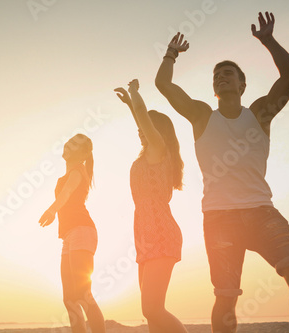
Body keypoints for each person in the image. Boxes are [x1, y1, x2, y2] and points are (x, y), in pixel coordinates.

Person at [155, 12, 289, 333]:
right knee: (226, 298)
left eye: (228, 73)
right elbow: (163, 84)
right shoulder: (201, 115)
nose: (220, 77)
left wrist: (268, 40)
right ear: (213, 89)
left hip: (262, 212)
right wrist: (171, 53)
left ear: (243, 84)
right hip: (219, 218)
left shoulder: (259, 113)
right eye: (216, 76)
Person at [115, 80, 187, 333]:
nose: (140, 129)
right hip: (145, 236)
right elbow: (143, 123)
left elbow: (145, 122)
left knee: (152, 309)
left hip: (160, 233)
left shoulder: (158, 150)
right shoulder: (148, 153)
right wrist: (131, 107)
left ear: (159, 133)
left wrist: (135, 94)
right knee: (152, 315)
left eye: (146, 126)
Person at [39, 134, 105, 333]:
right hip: (69, 235)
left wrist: (51, 210)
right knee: (69, 299)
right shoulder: (68, 174)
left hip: (82, 231)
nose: (69, 144)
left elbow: (66, 193)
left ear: (84, 154)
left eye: (75, 144)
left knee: (83, 294)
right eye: (69, 141)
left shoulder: (78, 171)